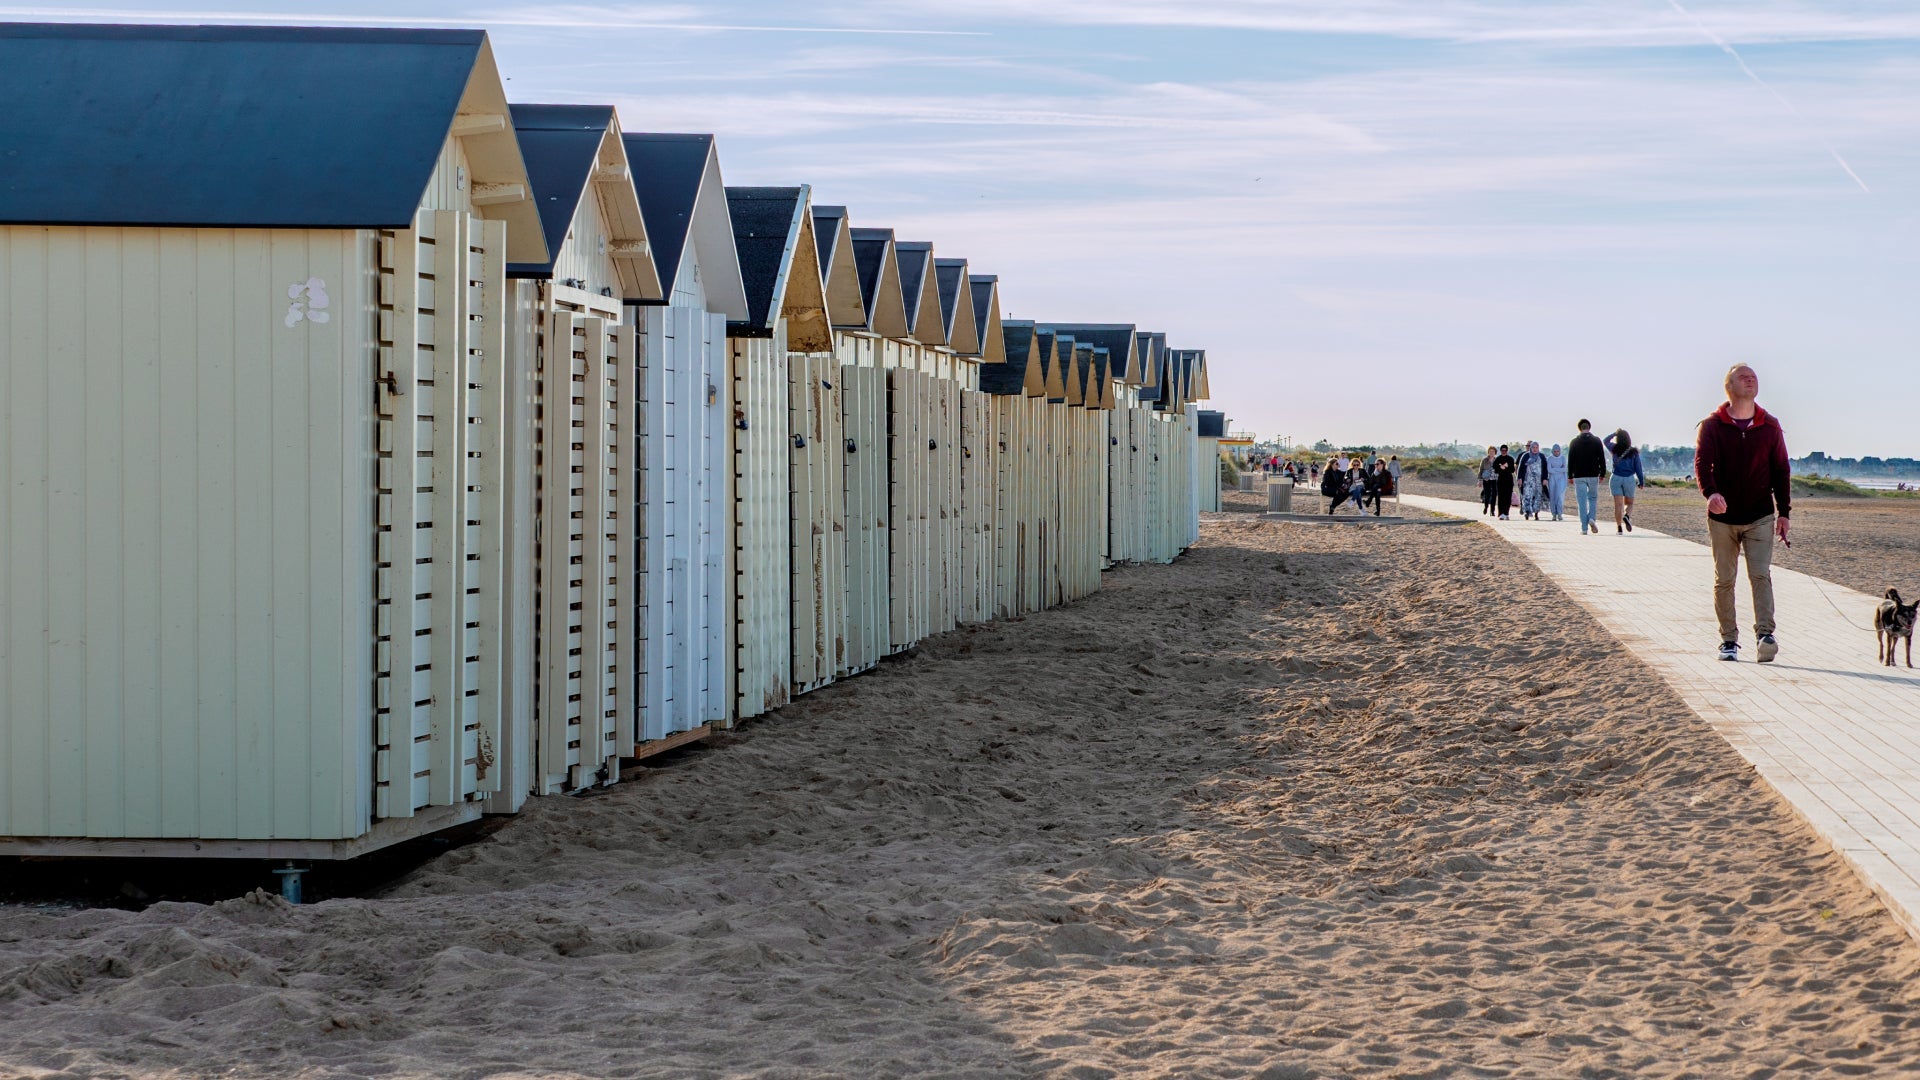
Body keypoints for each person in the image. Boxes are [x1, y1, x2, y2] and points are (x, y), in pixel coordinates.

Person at [1696, 363, 1791, 663]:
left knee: (1760, 575)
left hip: (1761, 515)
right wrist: (1711, 494)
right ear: (1730, 387)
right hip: (1722, 518)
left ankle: (1765, 635)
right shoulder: (1711, 425)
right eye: (1743, 377)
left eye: (1753, 377)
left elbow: (1781, 470)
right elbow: (1702, 464)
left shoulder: (1771, 425)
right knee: (1724, 579)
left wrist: (1784, 513)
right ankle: (1728, 640)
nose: (1750, 380)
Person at [1567, 420, 1608, 535]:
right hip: (1593, 474)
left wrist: (1570, 475)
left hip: (1579, 475)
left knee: (1582, 502)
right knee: (1593, 498)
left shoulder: (1574, 442)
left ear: (1579, 428)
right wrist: (1602, 473)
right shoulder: (1596, 441)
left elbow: (1571, 460)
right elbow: (1601, 458)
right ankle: (1592, 518)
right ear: (1589, 428)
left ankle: (1584, 528)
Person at [1606, 428, 1645, 534]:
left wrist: (1615, 433)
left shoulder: (1614, 449)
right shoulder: (1633, 452)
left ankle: (1619, 528)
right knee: (1630, 503)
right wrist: (1641, 482)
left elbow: (1605, 440)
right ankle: (1627, 516)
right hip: (1629, 479)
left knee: (1618, 505)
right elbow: (1638, 468)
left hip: (1616, 478)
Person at [1516, 440, 1549, 520]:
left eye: (1536, 447)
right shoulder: (1526, 456)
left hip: (1538, 481)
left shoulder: (1541, 456)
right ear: (1530, 448)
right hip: (1528, 481)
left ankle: (1536, 513)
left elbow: (1545, 469)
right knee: (1527, 496)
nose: (1535, 449)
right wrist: (1519, 478)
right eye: (1533, 447)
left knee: (1538, 497)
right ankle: (1527, 512)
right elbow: (1520, 468)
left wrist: (1545, 479)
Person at [1492, 444, 1517, 519]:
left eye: (1505, 450)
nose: (1504, 452)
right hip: (1501, 480)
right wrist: (1500, 467)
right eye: (1502, 450)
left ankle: (1506, 513)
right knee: (1501, 497)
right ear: (1500, 451)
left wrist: (1506, 467)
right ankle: (1501, 513)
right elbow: (1495, 469)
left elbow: (1512, 470)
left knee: (1508, 497)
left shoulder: (1510, 459)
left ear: (1507, 450)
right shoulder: (1498, 459)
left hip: (1509, 479)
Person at [1546, 443, 1569, 521]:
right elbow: (1549, 470)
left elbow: (1565, 469)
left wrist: (1554, 469)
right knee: (1552, 496)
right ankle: (1553, 514)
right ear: (1552, 451)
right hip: (1552, 479)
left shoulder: (1563, 458)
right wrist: (1559, 469)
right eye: (1555, 451)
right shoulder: (1549, 458)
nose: (1556, 453)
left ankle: (1559, 513)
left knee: (1559, 496)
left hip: (1561, 479)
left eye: (1558, 451)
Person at [1478, 446, 1498, 516]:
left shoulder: (1497, 460)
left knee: (1494, 495)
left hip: (1495, 479)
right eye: (1490, 451)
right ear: (1488, 452)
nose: (1491, 453)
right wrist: (1480, 480)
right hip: (1486, 479)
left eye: (1493, 451)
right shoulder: (1484, 460)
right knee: (1487, 494)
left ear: (1495, 452)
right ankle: (1486, 507)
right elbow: (1480, 470)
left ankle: (1492, 511)